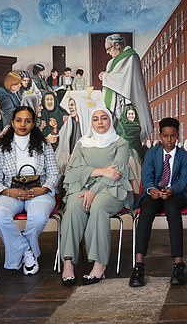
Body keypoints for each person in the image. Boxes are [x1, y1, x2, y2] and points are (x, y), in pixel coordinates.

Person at [60, 107, 133, 286]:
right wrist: (100, 171)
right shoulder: (83, 143)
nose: (100, 122)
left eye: (104, 118)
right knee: (73, 207)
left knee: (98, 206)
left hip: (113, 189)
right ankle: (68, 262)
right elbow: (73, 170)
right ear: (90, 122)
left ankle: (99, 264)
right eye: (95, 119)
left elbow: (117, 173)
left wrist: (94, 190)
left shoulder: (120, 143)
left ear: (110, 121)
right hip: (83, 187)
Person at [0, 106, 59, 275]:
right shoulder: (1, 146)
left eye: (27, 121)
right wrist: (8, 192)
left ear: (33, 124)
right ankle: (26, 249)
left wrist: (42, 190)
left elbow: (54, 173)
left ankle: (22, 252)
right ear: (12, 123)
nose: (23, 124)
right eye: (19, 120)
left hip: (39, 193)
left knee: (39, 217)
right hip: (10, 193)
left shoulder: (44, 145)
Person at [129, 117, 187, 288]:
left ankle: (179, 264)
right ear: (160, 136)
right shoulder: (151, 154)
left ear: (178, 136)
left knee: (172, 209)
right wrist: (151, 190)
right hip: (155, 193)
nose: (169, 140)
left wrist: (172, 190)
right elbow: (147, 177)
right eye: (165, 136)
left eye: (172, 136)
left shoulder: (185, 156)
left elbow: (184, 180)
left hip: (176, 193)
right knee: (146, 210)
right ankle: (139, 264)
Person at [99, 33, 153, 139]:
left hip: (128, 98)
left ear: (117, 45)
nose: (107, 52)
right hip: (114, 101)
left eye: (109, 49)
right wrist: (106, 76)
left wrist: (105, 76)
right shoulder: (111, 62)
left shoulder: (131, 57)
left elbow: (124, 79)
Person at [54, 94, 92, 174]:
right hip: (70, 157)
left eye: (72, 105)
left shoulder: (86, 123)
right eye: (69, 105)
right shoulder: (69, 122)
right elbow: (62, 138)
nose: (70, 107)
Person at [115, 104, 145, 193]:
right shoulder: (120, 126)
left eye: (132, 114)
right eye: (129, 114)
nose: (131, 116)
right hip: (123, 154)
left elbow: (137, 143)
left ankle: (136, 193)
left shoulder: (137, 127)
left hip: (136, 154)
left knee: (136, 175)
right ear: (125, 114)